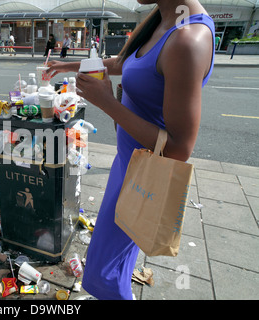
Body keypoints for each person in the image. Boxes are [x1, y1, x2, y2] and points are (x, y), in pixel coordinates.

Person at [46, 0, 214, 299]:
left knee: (102, 273)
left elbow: (179, 148)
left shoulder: (188, 40)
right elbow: (126, 62)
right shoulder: (162, 19)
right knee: (117, 261)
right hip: (127, 163)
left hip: (144, 177)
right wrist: (66, 66)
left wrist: (107, 102)